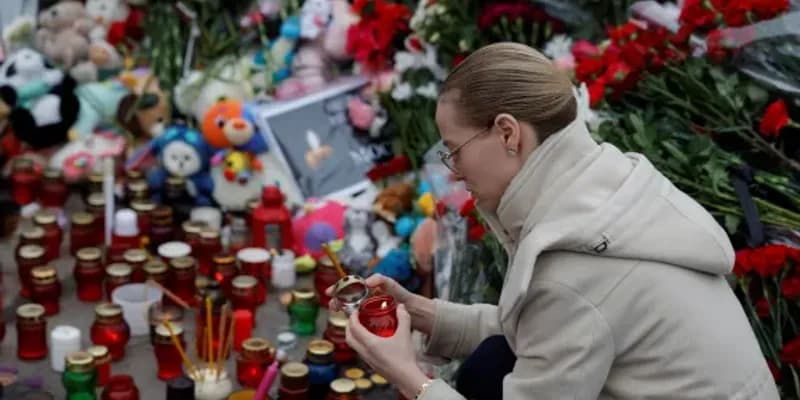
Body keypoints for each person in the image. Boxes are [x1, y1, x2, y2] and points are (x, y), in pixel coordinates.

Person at [330, 42, 779, 399]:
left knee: (489, 372)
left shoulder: (572, 264)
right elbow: (550, 334)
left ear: (508, 132)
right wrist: (422, 313)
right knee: (494, 363)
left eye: (454, 149)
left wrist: (409, 376)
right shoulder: (605, 189)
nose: (453, 169)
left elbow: (569, 306)